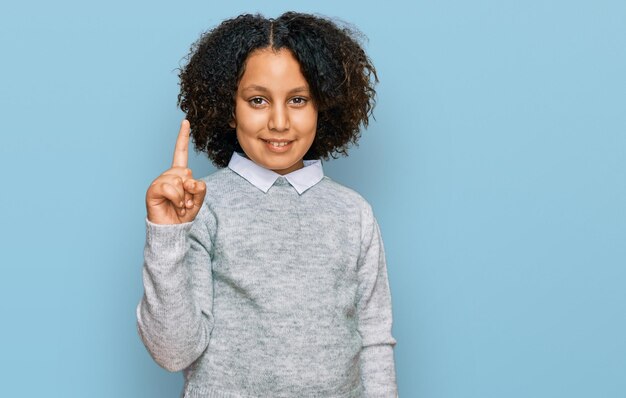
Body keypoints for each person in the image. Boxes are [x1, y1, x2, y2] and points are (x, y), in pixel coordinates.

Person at [136, 11, 397, 398]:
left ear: (322, 105)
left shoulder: (353, 212)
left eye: (298, 99)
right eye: (258, 100)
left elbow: (374, 341)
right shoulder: (202, 207)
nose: (278, 122)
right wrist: (167, 234)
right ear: (229, 107)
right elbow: (173, 352)